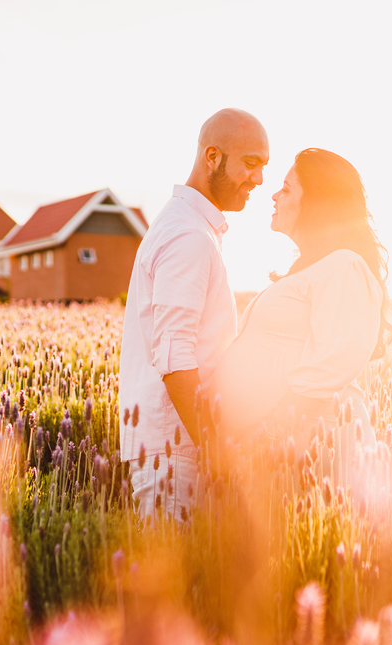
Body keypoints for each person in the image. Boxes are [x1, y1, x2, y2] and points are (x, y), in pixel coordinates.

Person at [118, 108, 270, 520]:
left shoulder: (189, 228)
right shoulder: (187, 235)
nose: (259, 179)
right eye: (251, 163)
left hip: (178, 446)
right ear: (212, 157)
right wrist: (215, 448)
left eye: (263, 167)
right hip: (174, 451)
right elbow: (174, 355)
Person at [208, 148, 392, 484]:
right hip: (279, 448)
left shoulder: (344, 266)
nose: (275, 196)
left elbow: (335, 359)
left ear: (317, 201)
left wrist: (274, 428)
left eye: (288, 189)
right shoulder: (312, 270)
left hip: (306, 449)